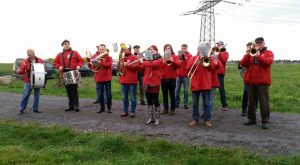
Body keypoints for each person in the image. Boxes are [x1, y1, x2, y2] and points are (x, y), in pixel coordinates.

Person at [240, 37, 274, 129]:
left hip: (262, 82)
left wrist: (259, 56)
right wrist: (248, 54)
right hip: (252, 81)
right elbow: (243, 64)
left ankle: (265, 121)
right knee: (251, 102)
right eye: (257, 43)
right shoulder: (251, 53)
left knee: (264, 102)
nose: (258, 45)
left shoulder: (269, 53)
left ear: (264, 43)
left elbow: (267, 63)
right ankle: (251, 119)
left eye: (260, 43)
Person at [187, 42, 215, 128]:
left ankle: (206, 120)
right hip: (196, 84)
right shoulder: (194, 58)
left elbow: (213, 68)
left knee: (206, 103)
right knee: (195, 103)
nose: (202, 50)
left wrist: (206, 61)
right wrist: (194, 64)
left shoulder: (208, 58)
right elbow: (187, 68)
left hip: (205, 83)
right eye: (200, 49)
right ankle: (195, 119)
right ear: (198, 50)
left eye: (204, 49)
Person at [54, 39, 83, 112]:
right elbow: (55, 62)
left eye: (68, 44)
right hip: (64, 72)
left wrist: (79, 65)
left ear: (69, 45)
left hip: (73, 71)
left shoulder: (75, 53)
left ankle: (76, 105)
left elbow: (81, 61)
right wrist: (58, 66)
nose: (67, 45)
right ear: (62, 46)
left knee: (74, 90)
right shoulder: (59, 54)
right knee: (68, 90)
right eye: (65, 44)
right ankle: (71, 105)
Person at [140, 45, 163, 126]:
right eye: (150, 50)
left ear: (156, 51)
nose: (151, 51)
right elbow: (141, 68)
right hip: (146, 82)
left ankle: (157, 118)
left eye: (153, 50)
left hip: (155, 82)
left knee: (155, 101)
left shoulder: (160, 59)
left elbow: (152, 64)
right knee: (149, 101)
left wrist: (143, 61)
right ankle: (151, 118)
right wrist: (140, 60)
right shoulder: (147, 60)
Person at [87, 44, 112, 113]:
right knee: (100, 95)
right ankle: (102, 108)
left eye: (103, 49)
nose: (101, 50)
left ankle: (109, 108)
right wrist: (90, 63)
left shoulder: (108, 57)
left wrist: (101, 62)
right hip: (99, 78)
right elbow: (90, 65)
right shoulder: (95, 56)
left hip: (107, 78)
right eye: (100, 49)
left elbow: (108, 65)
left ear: (105, 49)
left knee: (108, 94)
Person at [18, 49, 44, 114]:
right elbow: (21, 70)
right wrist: (19, 70)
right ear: (27, 54)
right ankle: (21, 109)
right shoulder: (24, 61)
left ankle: (36, 108)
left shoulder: (40, 60)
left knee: (37, 95)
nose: (30, 53)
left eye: (31, 52)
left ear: (34, 52)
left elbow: (43, 69)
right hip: (28, 80)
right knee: (25, 95)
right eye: (28, 52)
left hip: (38, 80)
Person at [119, 44, 140, 117]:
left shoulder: (134, 57)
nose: (124, 50)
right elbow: (119, 69)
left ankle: (133, 111)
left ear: (130, 49)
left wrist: (127, 65)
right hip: (123, 80)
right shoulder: (122, 57)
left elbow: (137, 66)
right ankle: (125, 111)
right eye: (123, 49)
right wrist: (119, 65)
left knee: (133, 97)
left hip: (132, 80)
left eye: (126, 49)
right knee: (124, 97)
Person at [238, 42, 258, 116]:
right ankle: (244, 110)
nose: (248, 49)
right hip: (248, 78)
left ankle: (254, 110)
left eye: (249, 47)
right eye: (247, 48)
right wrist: (247, 54)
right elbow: (240, 66)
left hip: (256, 78)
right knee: (246, 94)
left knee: (256, 95)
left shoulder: (256, 54)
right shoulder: (246, 55)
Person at [161, 44, 180, 115]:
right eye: (166, 48)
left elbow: (179, 65)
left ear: (171, 49)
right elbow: (160, 68)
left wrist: (172, 61)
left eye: (169, 48)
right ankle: (165, 109)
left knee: (172, 95)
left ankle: (172, 109)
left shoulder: (175, 57)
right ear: (164, 50)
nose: (168, 49)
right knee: (164, 95)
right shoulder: (163, 58)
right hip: (164, 79)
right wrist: (163, 63)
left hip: (172, 79)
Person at [175, 44, 192, 109]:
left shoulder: (189, 55)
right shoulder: (178, 56)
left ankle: (185, 104)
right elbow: (177, 63)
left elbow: (190, 64)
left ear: (186, 48)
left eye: (184, 48)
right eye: (182, 48)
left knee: (186, 91)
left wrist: (185, 59)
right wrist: (179, 59)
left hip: (185, 76)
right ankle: (176, 103)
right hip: (178, 75)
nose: (183, 49)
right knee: (177, 90)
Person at [214, 40, 229, 111]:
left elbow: (224, 60)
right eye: (217, 44)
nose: (217, 45)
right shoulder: (214, 52)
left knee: (221, 89)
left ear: (222, 45)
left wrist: (219, 52)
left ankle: (224, 105)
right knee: (211, 89)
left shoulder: (226, 53)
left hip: (220, 73)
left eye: (219, 44)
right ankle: (209, 105)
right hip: (213, 72)